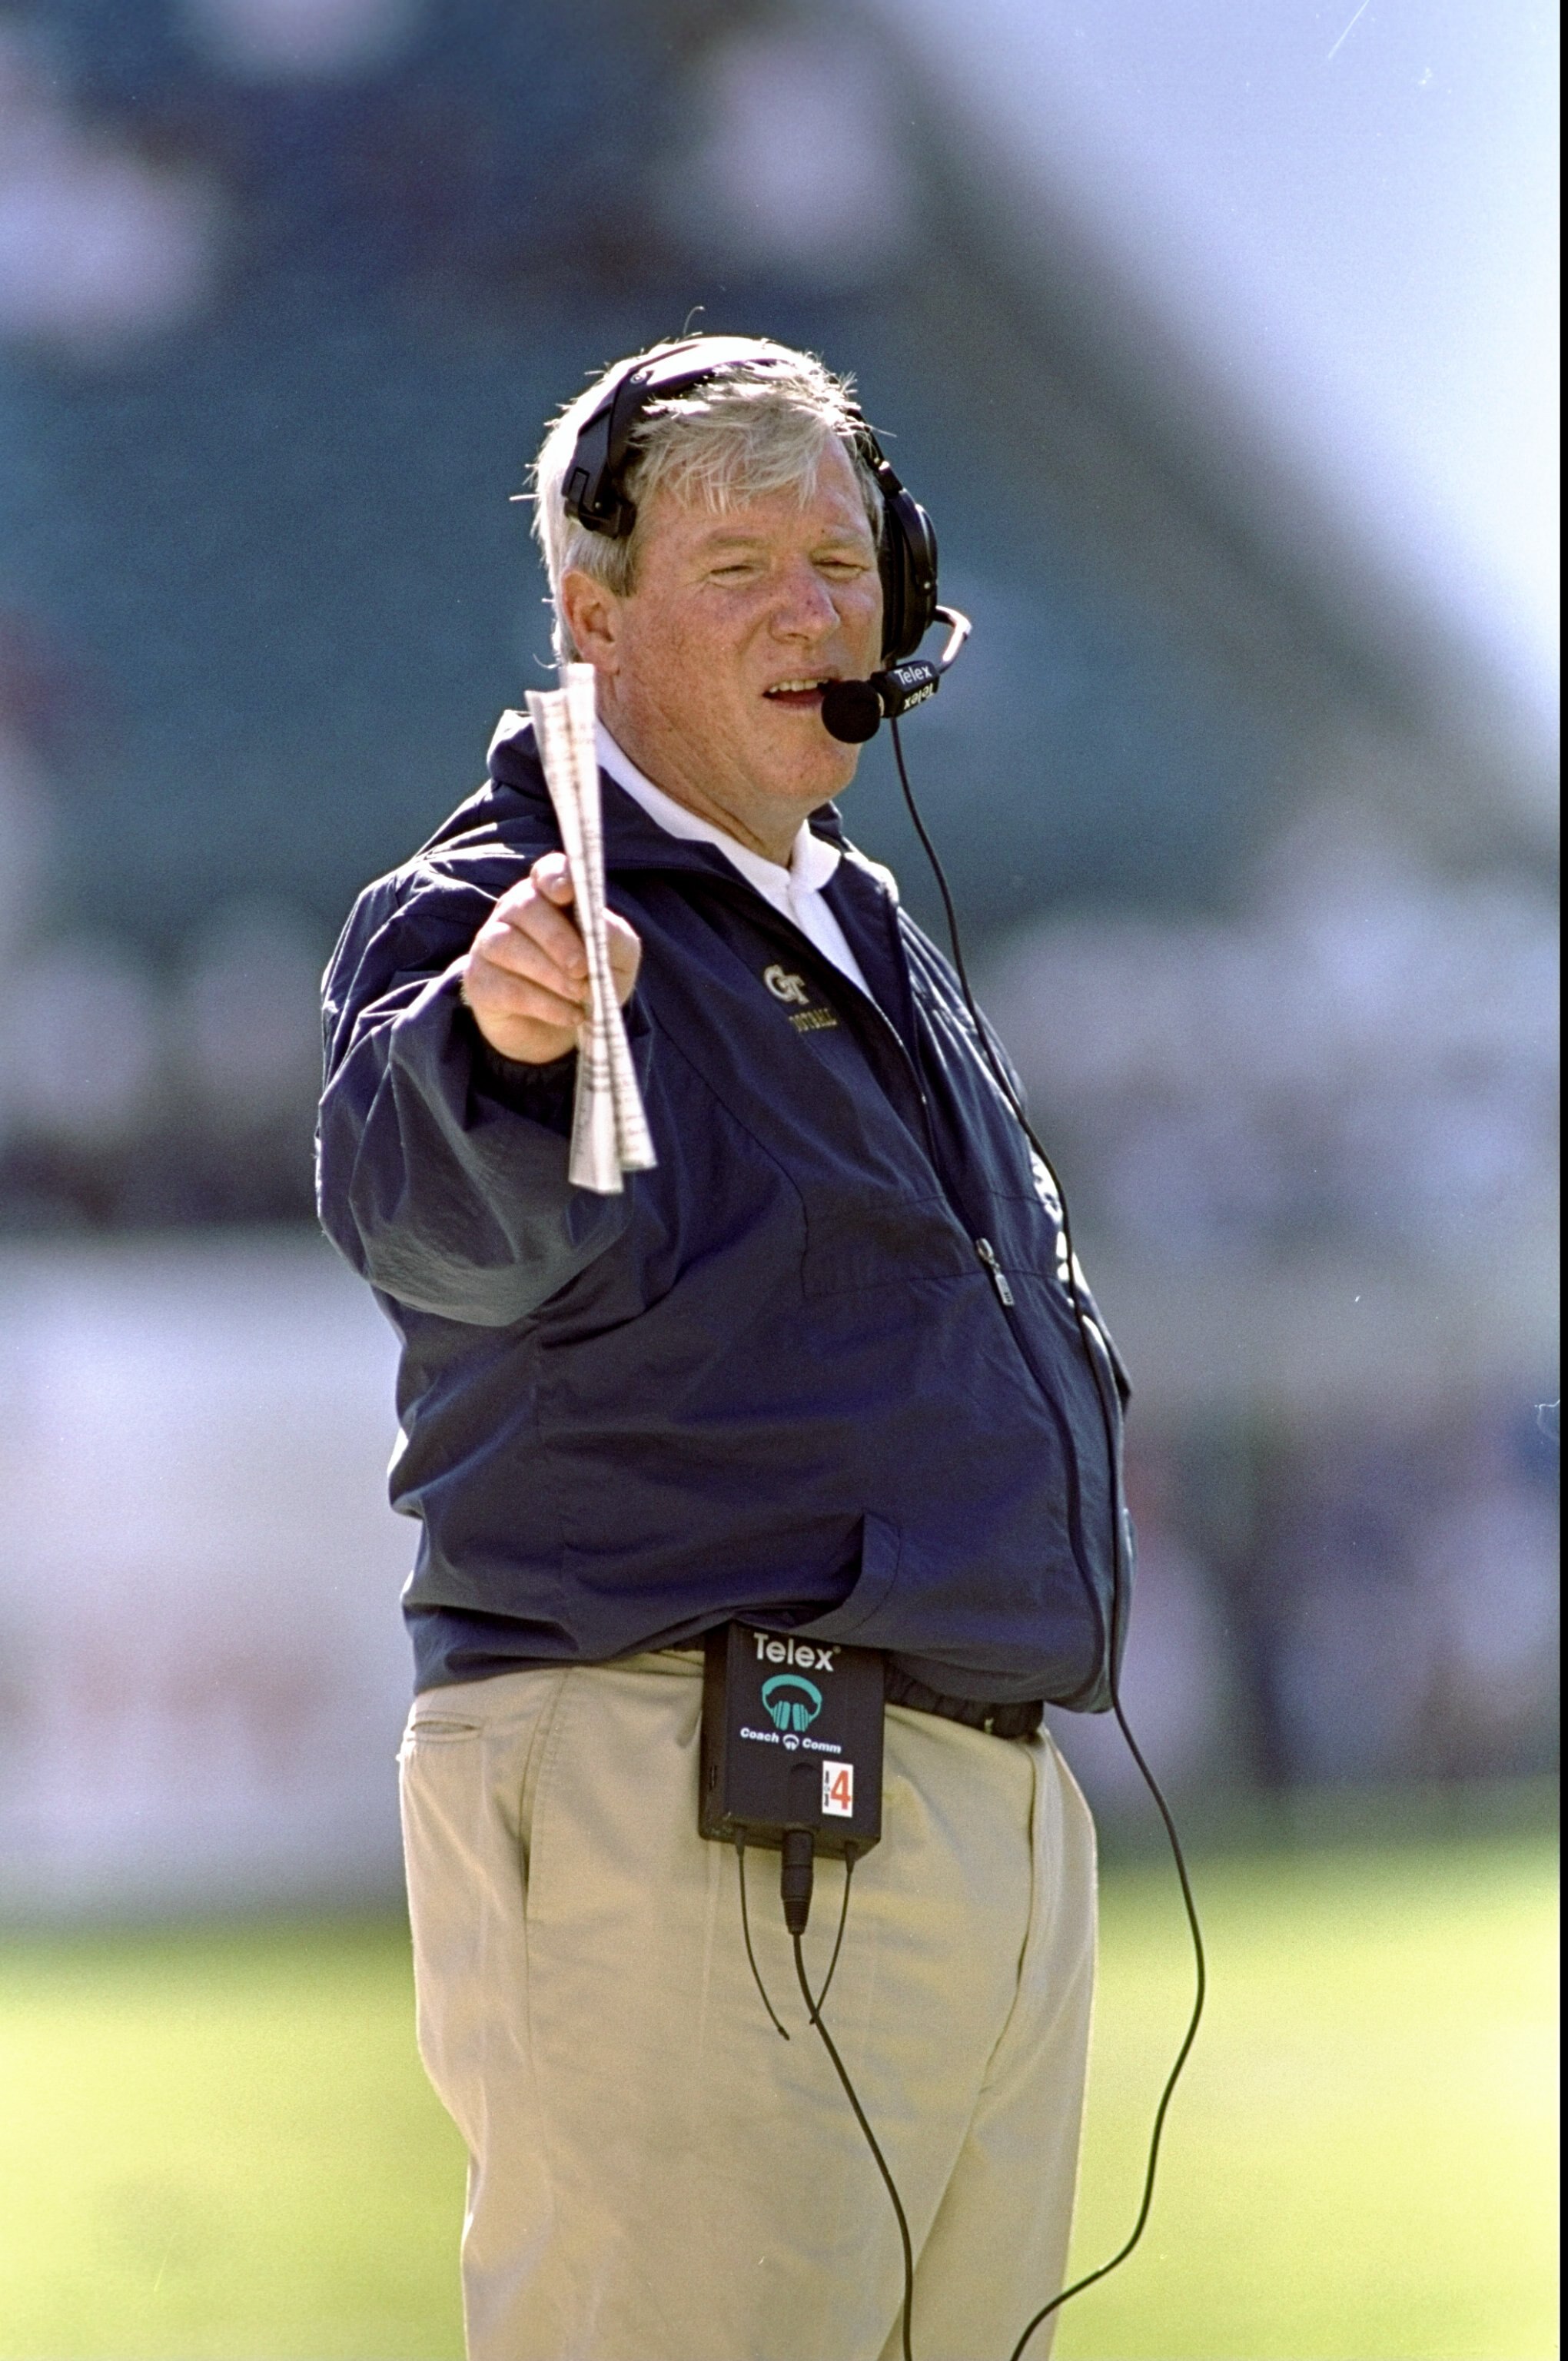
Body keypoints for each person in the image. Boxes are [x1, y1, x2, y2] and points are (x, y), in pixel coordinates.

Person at [318, 336, 1128, 2361]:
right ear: (591, 620)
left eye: (843, 561)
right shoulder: (514, 907)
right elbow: (425, 1214)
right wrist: (492, 1048)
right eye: (744, 563)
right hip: (690, 1794)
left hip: (959, 1808)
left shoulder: (855, 919)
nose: (815, 609)